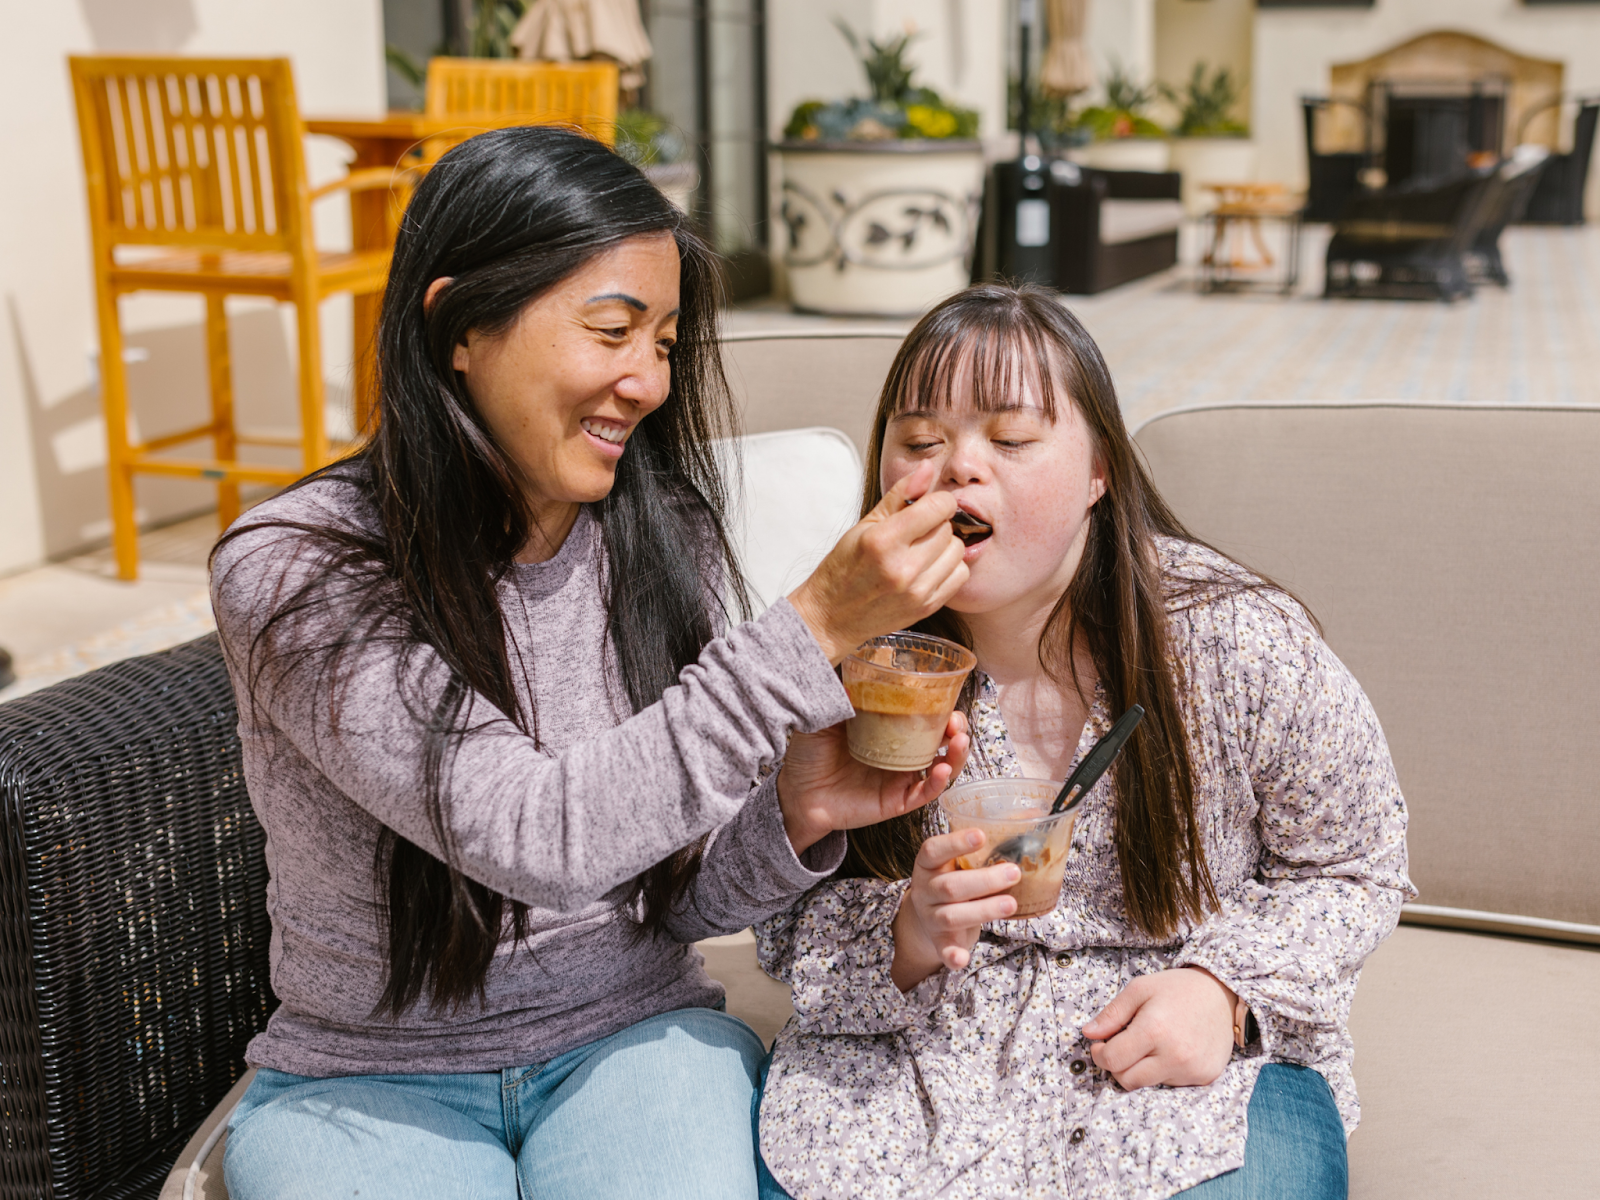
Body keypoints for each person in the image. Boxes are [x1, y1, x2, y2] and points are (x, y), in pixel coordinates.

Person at [209, 126, 974, 1200]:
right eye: (611, 329)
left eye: (663, 343)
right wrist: (809, 630)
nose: (649, 382)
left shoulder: (660, 536)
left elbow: (675, 905)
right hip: (370, 1084)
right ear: (457, 326)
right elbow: (537, 836)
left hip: (633, 1042)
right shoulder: (299, 567)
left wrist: (789, 816)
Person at [754, 284, 1415, 1200]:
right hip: (917, 1084)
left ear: (1100, 468)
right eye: (918, 442)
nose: (956, 470)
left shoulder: (1234, 642)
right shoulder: (841, 658)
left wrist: (1220, 991)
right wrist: (904, 935)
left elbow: (1358, 864)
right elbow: (781, 918)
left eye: (1012, 439)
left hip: (1184, 1074)